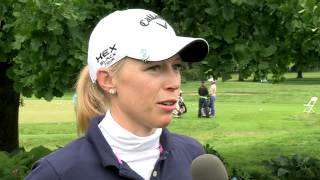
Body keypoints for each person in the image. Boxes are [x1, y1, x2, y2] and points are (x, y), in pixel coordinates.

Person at [26, 9, 209, 180]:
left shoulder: (193, 155)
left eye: (176, 66)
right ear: (107, 80)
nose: (174, 83)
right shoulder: (58, 173)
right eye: (154, 67)